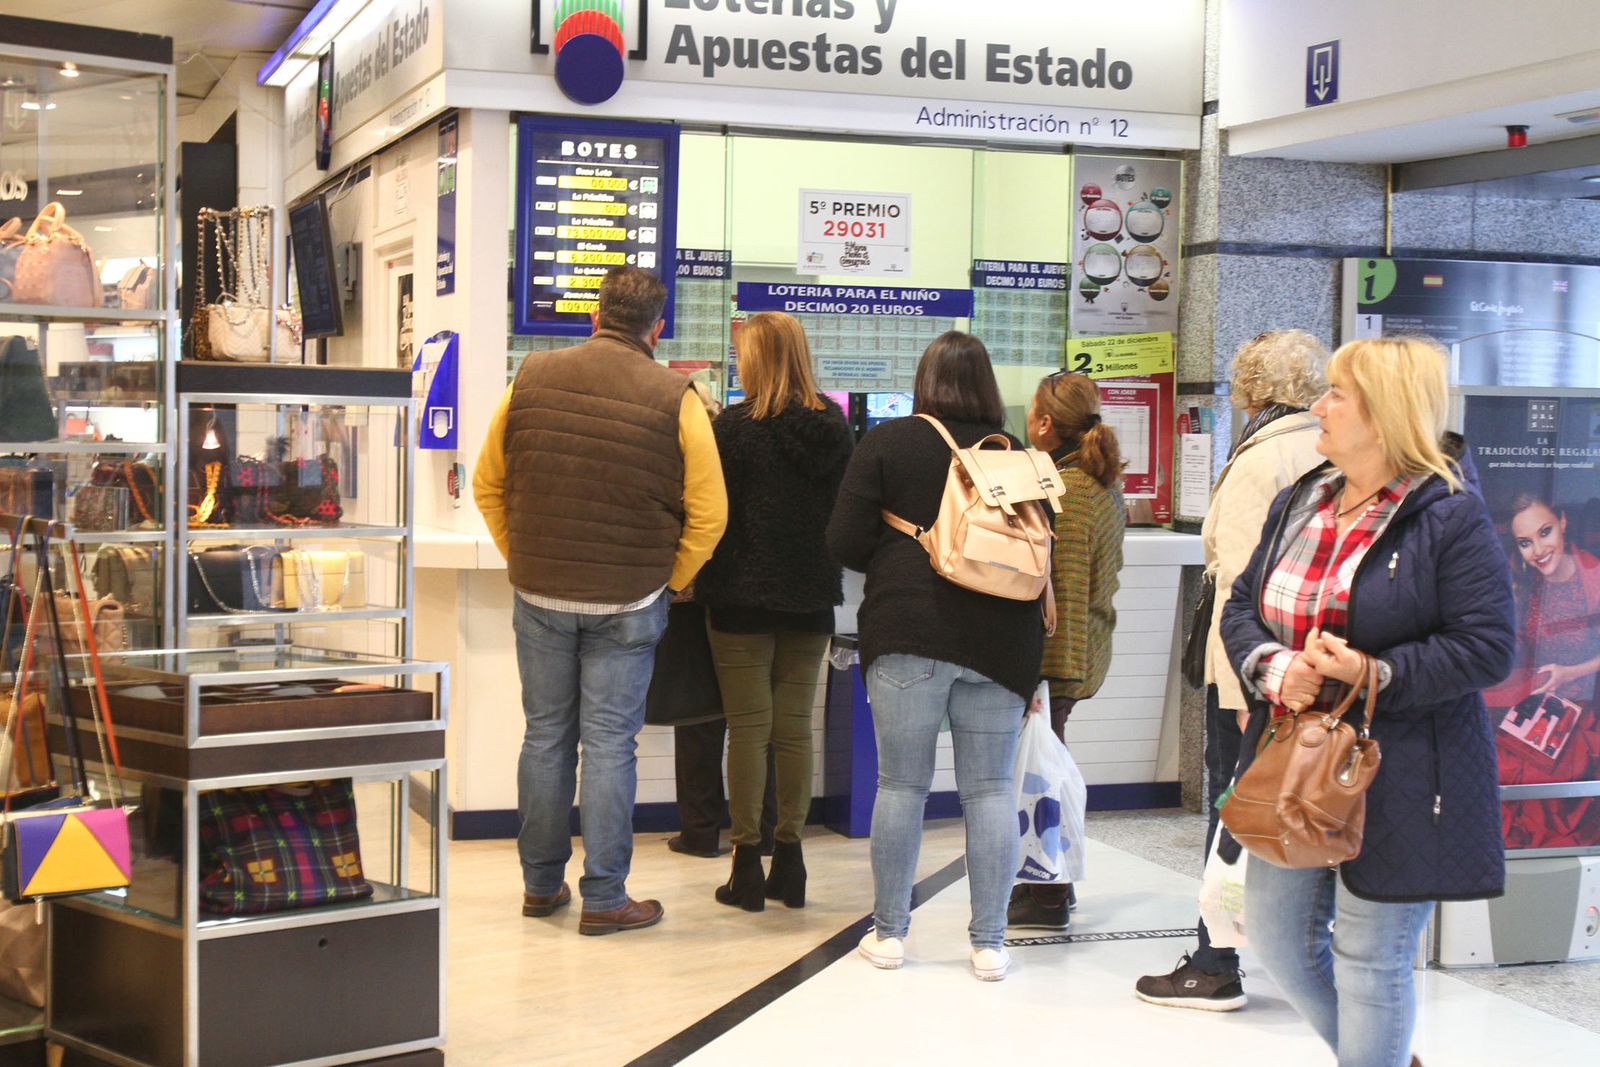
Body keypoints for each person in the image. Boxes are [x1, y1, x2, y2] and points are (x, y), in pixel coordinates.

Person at [1219, 337, 1515, 1067]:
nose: (1318, 406)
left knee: (1370, 960)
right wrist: (1274, 665)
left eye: (1337, 395)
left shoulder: (1449, 513)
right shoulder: (1305, 497)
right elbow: (1242, 604)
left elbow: (1486, 646)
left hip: (1407, 770)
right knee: (1279, 941)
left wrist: (1369, 671)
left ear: (1383, 414)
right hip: (1294, 760)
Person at [473, 266, 728, 936]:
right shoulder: (677, 397)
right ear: (657, 328)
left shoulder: (529, 377)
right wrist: (668, 578)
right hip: (629, 599)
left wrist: (521, 554)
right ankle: (607, 897)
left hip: (539, 592)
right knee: (611, 745)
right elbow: (710, 513)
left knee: (545, 737)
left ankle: (539, 886)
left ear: (595, 316)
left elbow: (487, 482)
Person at [827, 331, 1047, 982]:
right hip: (1004, 642)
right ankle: (989, 945)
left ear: (923, 382)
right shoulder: (1016, 456)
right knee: (989, 790)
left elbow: (842, 540)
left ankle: (890, 935)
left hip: (909, 630)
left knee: (902, 785)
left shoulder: (888, 442)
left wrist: (900, 549)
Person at [1136, 329, 1327, 1009]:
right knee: (1307, 809)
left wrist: (1241, 687)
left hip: (1258, 674)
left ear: (1250, 387)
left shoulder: (1261, 458)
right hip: (1314, 668)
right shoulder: (1330, 449)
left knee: (1234, 810)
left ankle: (1215, 963)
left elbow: (1240, 588)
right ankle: (1300, 946)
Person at [694, 311, 853, 911]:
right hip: (810, 596)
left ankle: (745, 866)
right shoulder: (833, 428)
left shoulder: (731, 430)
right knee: (794, 731)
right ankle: (791, 860)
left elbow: (707, 510)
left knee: (748, 731)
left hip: (740, 595)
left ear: (758, 359)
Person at [1006, 370, 1124, 931]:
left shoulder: (1070, 491)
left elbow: (1068, 593)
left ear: (1045, 424)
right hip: (1073, 655)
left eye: (1031, 412)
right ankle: (1054, 885)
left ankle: (1048, 894)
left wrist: (1045, 679)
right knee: (1047, 768)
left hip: (1060, 660)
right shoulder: (1089, 481)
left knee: (1043, 776)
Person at [1507, 490, 1600, 703]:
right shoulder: (1520, 578)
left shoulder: (1594, 576)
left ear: (1562, 522)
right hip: (1530, 699)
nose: (1538, 550)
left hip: (1583, 703)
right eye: (1525, 543)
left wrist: (1570, 673)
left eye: (1545, 532)